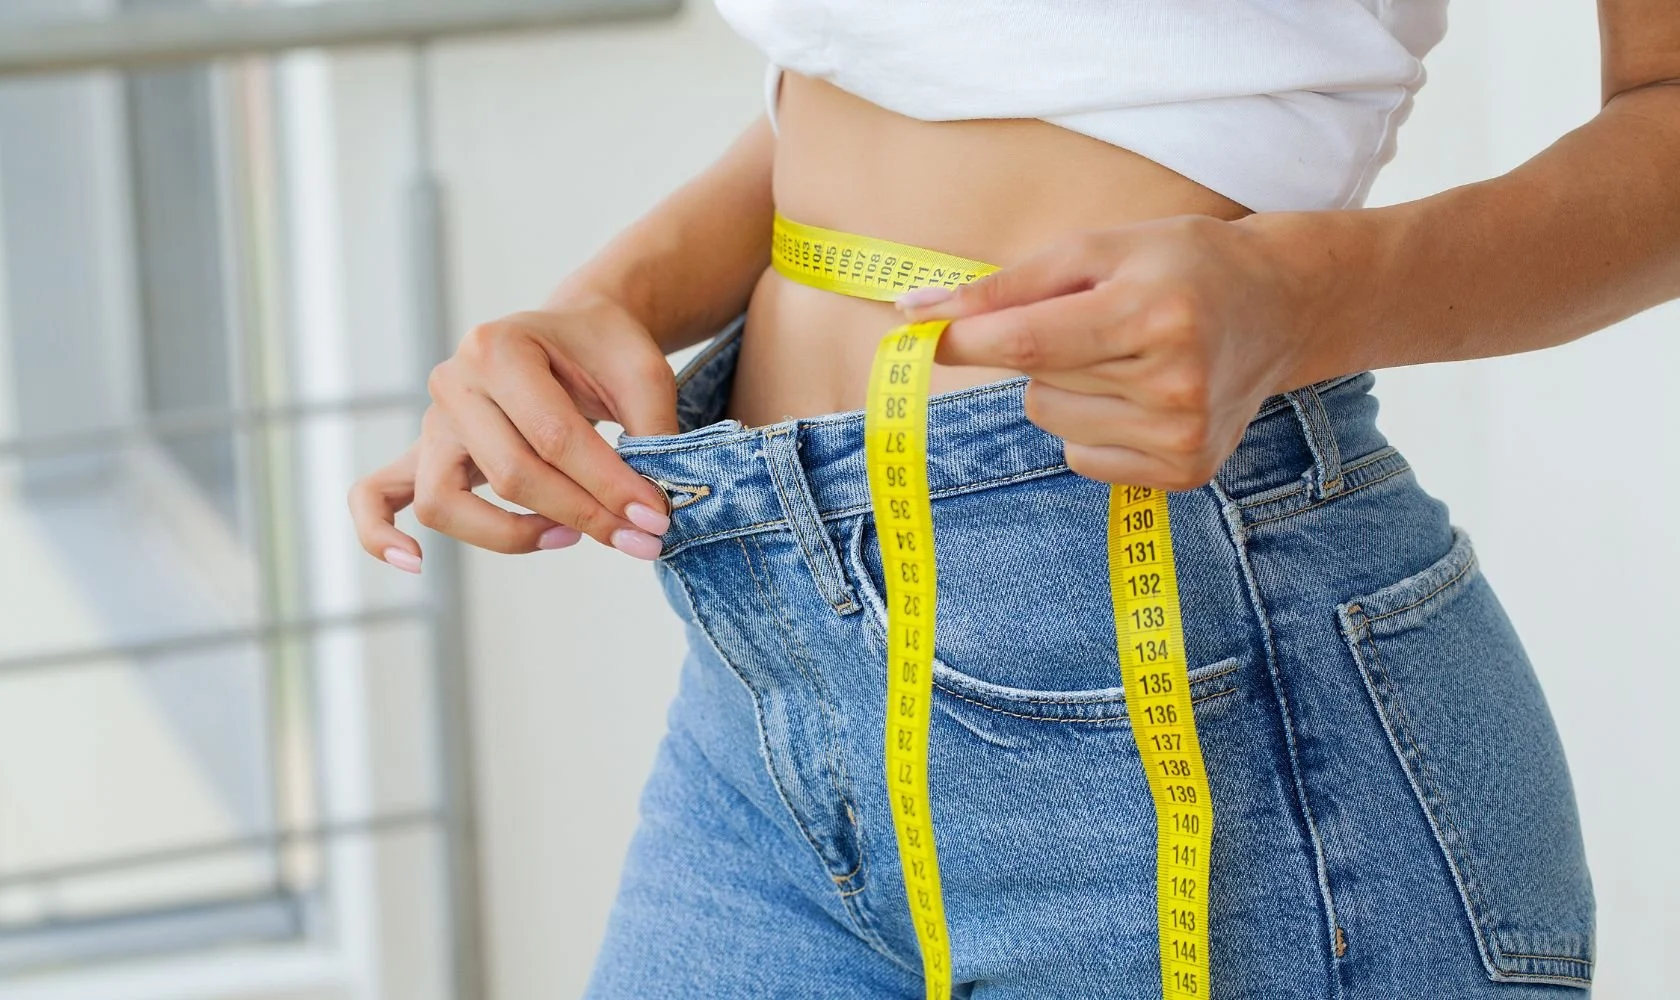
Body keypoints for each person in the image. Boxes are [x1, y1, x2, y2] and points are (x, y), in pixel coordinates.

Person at [350, 2, 1679, 995]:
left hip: (1203, 687)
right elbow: (901, 71)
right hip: (766, 688)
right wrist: (615, 299)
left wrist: (1308, 294)